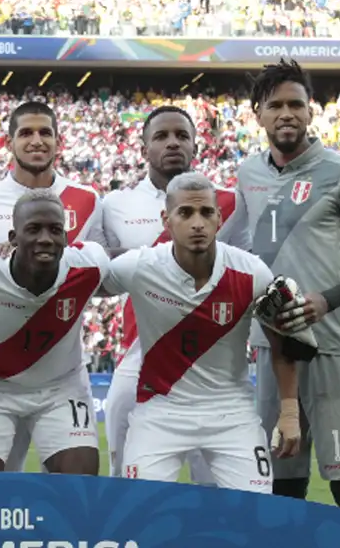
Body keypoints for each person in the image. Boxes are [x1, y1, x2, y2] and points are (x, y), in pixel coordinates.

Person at [236, 59, 340, 512]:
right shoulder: (248, 174)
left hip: (333, 345)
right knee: (281, 480)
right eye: (275, 106)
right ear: (258, 114)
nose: (286, 113)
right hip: (272, 348)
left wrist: (327, 300)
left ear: (311, 111)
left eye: (296, 104)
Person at [102, 172, 301, 490]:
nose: (197, 223)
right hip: (160, 412)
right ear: (166, 220)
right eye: (185, 213)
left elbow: (282, 342)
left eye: (206, 213)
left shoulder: (252, 272)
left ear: (219, 218)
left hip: (231, 413)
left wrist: (289, 411)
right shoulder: (139, 266)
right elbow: (80, 281)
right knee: (139, 509)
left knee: (257, 510)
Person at [0, 101, 103, 473]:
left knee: (78, 493)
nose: (36, 140)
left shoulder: (88, 199)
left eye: (45, 132)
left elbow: (100, 275)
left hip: (62, 376)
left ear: (58, 140)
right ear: (10, 142)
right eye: (26, 133)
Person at [100, 105, 247, 483]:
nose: (172, 143)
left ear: (196, 145)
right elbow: (97, 270)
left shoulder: (230, 204)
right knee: (127, 480)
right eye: (161, 136)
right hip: (139, 355)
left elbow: (247, 269)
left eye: (182, 136)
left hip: (211, 363)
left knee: (214, 490)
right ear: (143, 148)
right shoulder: (116, 205)